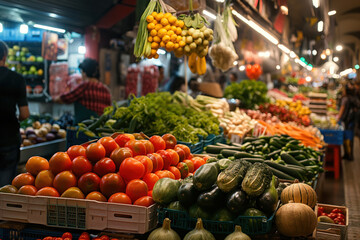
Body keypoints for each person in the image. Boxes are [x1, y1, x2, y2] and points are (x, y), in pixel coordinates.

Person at [0, 40, 30, 186]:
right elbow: (24, 113)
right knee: (5, 188)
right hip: (8, 139)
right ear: (4, 56)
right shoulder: (17, 79)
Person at [54, 58, 111, 123]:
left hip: (83, 129)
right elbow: (109, 110)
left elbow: (64, 98)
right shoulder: (106, 90)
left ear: (84, 73)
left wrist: (54, 98)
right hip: (101, 128)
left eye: (81, 72)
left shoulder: (85, 87)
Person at [337, 84, 358, 160]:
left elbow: (342, 109)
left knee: (346, 137)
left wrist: (338, 118)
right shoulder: (353, 98)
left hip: (346, 121)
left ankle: (347, 154)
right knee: (350, 138)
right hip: (352, 121)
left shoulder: (345, 99)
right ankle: (350, 155)